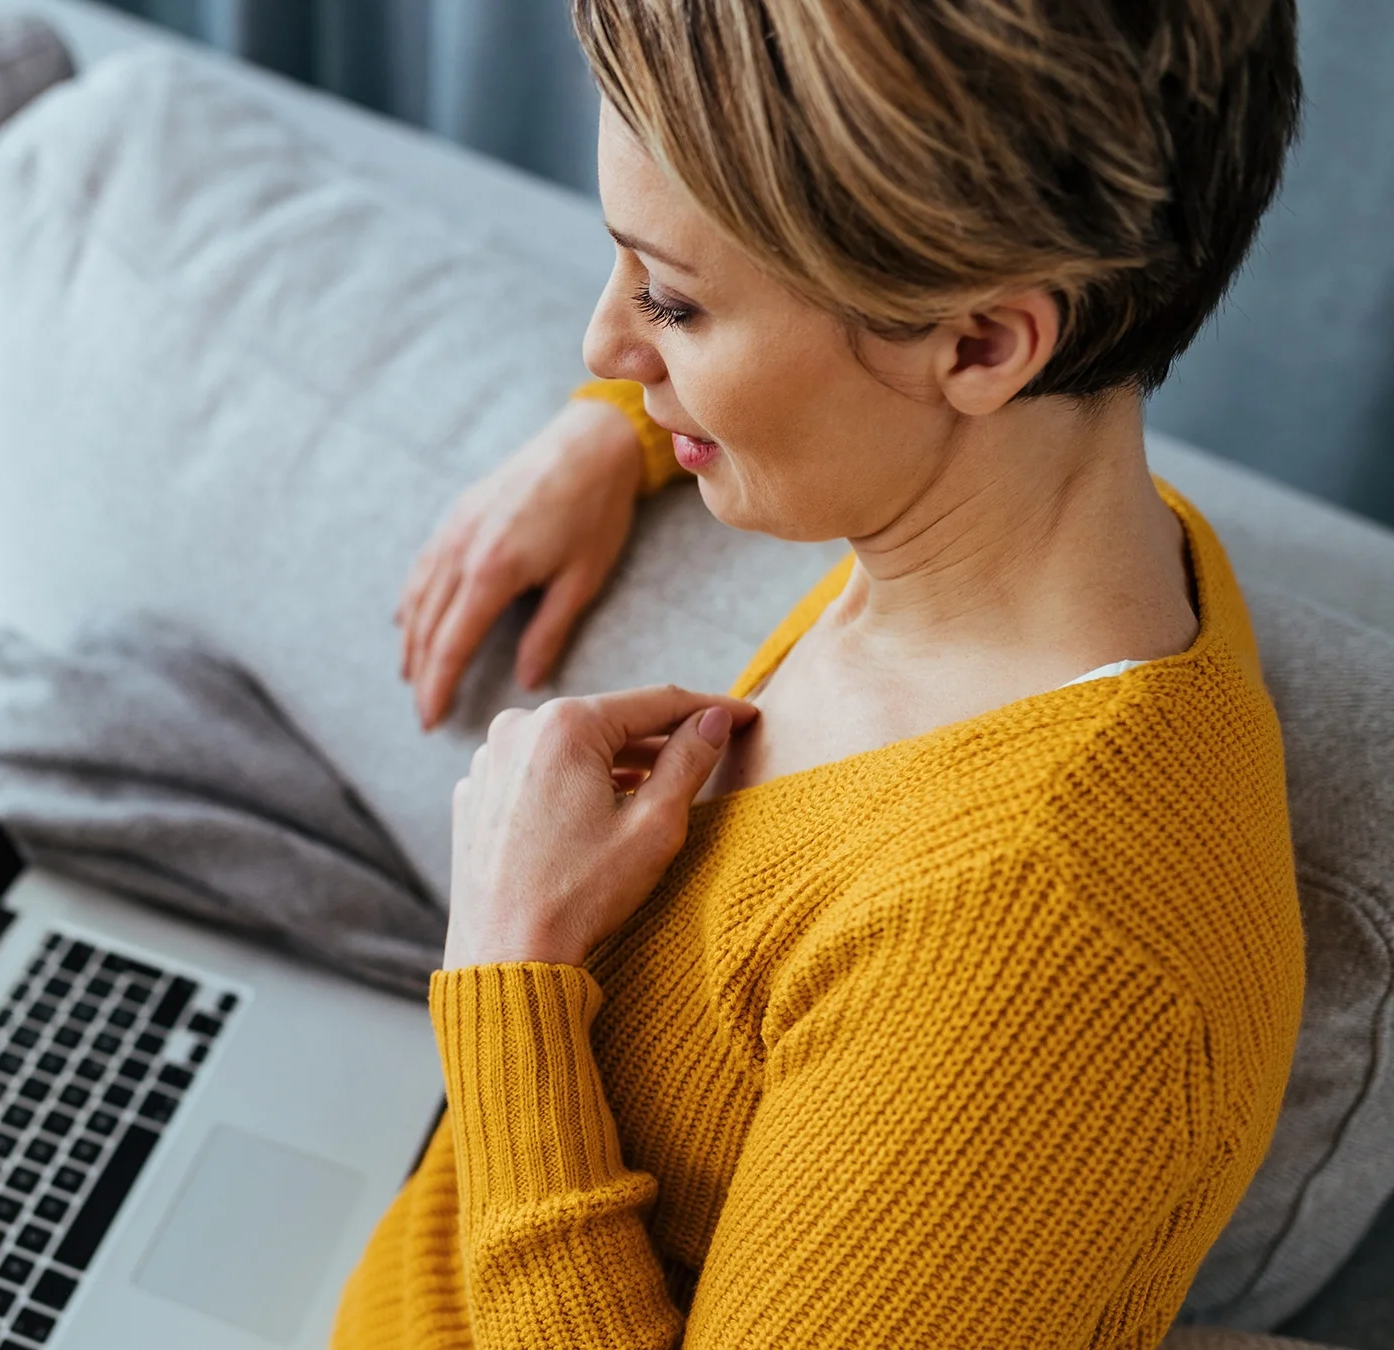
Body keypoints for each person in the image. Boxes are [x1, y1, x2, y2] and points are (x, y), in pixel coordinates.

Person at [348, 1, 1305, 1346]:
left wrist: (511, 970)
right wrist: (611, 434)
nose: (603, 346)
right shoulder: (1033, 524)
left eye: (671, 301)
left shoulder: (1038, 956)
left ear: (980, 346)